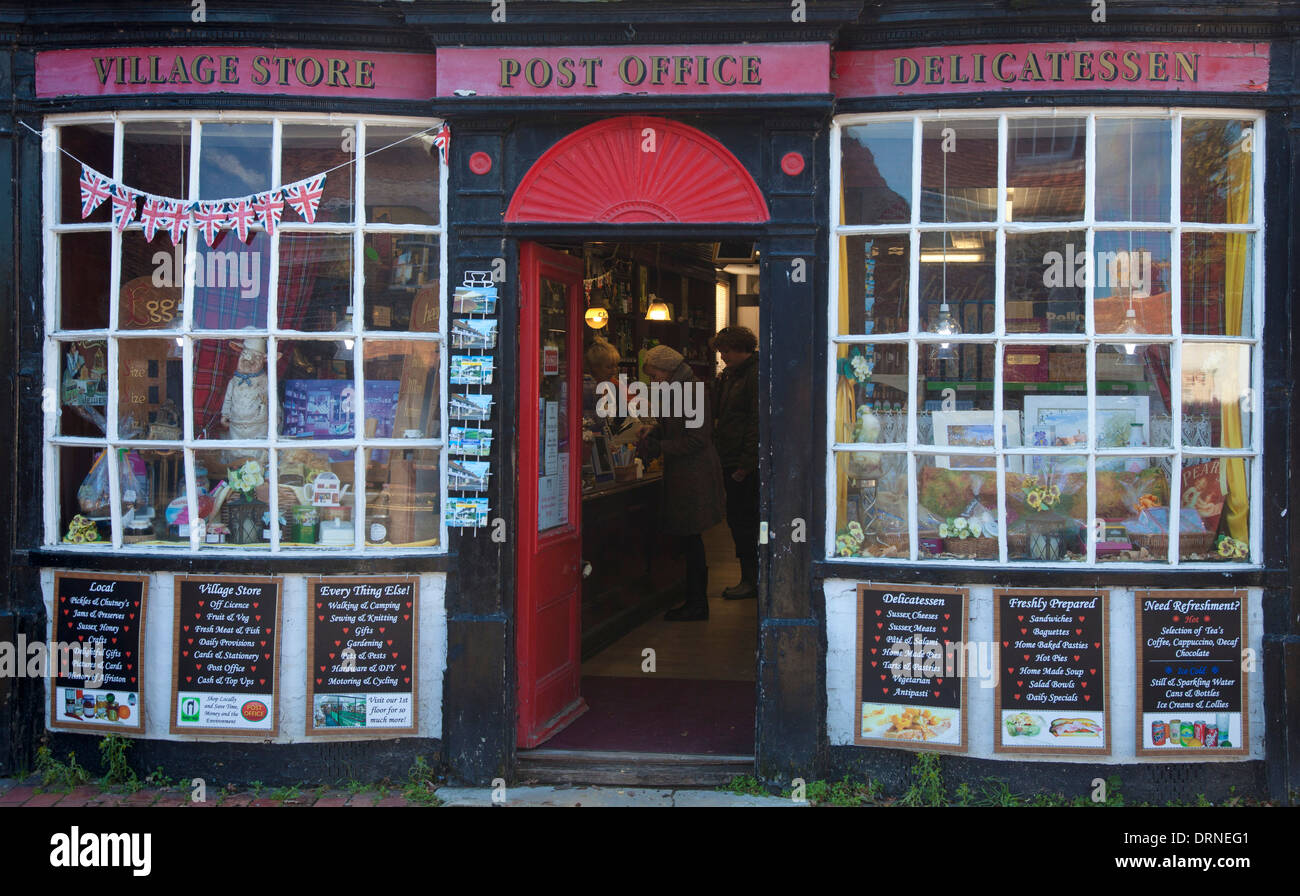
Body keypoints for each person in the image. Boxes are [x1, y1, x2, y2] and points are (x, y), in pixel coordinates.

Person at [638, 345, 725, 622]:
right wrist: (655, 429)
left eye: (655, 375)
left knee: (692, 539)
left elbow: (697, 439)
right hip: (686, 473)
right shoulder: (679, 388)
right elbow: (679, 427)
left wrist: (660, 445)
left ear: (668, 369)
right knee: (690, 539)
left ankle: (697, 603)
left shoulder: (692, 391)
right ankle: (694, 600)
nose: (654, 381)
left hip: (694, 475)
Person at [711, 326, 760, 600]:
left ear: (741, 348)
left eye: (726, 350)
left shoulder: (752, 375)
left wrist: (746, 463)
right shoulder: (732, 375)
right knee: (740, 521)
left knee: (744, 521)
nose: (722, 356)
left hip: (742, 462)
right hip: (731, 457)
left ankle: (751, 579)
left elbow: (755, 421)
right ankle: (750, 577)